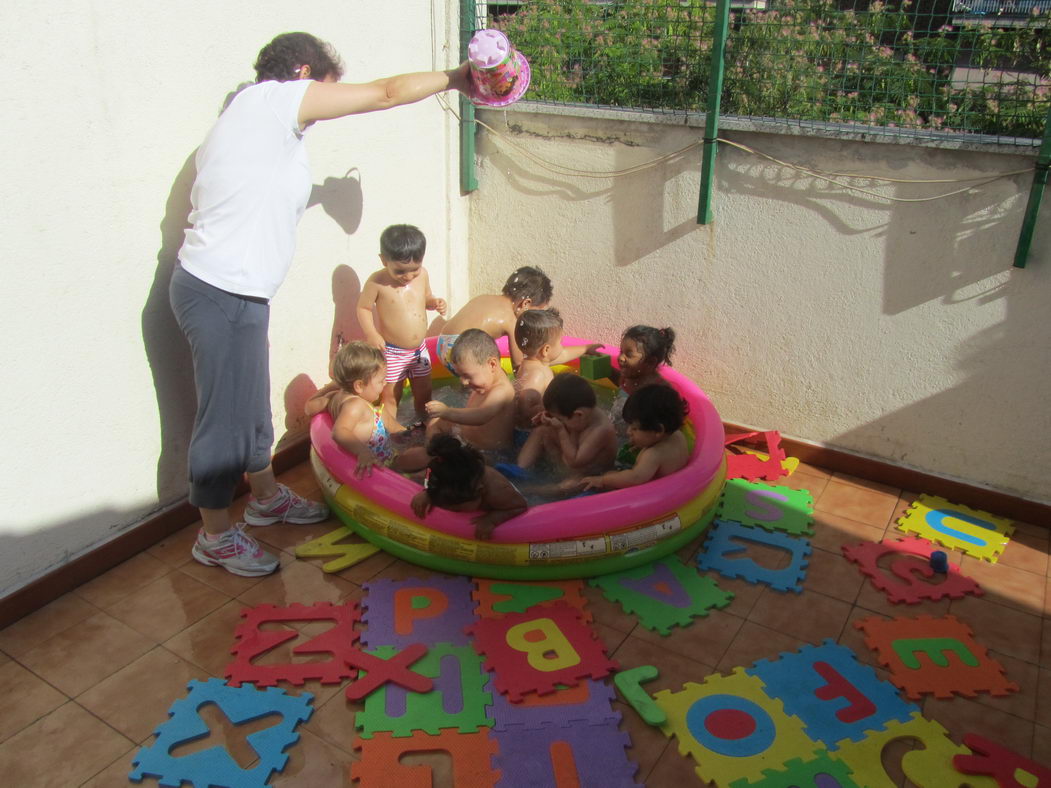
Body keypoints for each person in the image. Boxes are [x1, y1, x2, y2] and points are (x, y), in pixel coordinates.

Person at [172, 31, 470, 577]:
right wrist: (458, 78)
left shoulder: (251, 121)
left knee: (249, 407)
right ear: (304, 74)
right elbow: (385, 92)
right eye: (326, 91)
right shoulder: (273, 99)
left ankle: (265, 497)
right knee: (222, 421)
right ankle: (214, 534)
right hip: (216, 290)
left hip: (239, 293)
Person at [357, 224, 448, 421]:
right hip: (392, 352)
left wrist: (434, 302)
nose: (408, 277)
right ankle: (392, 435)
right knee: (390, 397)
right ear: (383, 260)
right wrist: (372, 334)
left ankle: (425, 429)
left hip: (419, 350)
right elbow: (363, 308)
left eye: (414, 269)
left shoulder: (422, 275)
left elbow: (426, 297)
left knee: (424, 394)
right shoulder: (377, 282)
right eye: (399, 271)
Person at [304, 341, 417, 477]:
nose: (385, 383)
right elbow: (339, 432)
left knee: (381, 413)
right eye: (381, 381)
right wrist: (362, 452)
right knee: (421, 460)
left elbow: (308, 407)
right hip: (380, 465)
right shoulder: (354, 406)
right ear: (359, 386)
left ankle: (410, 435)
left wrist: (330, 387)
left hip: (384, 456)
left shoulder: (332, 397)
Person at [436, 266, 552, 374]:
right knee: (500, 381)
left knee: (482, 374)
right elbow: (518, 364)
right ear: (525, 303)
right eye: (537, 312)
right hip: (462, 351)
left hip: (443, 345)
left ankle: (467, 389)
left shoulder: (484, 297)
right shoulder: (511, 320)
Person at [410, 435, 527, 539]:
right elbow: (429, 473)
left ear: (480, 491)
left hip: (505, 503)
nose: (448, 509)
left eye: (457, 509)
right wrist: (427, 492)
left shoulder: (497, 491)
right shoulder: (439, 468)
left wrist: (492, 520)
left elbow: (520, 506)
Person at [579, 384, 690, 491]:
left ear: (658, 430)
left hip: (654, 495)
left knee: (608, 476)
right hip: (676, 486)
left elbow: (635, 478)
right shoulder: (677, 435)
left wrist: (602, 480)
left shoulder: (653, 454)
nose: (628, 432)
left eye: (635, 428)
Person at [424, 330, 516, 454]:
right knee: (434, 423)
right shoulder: (486, 379)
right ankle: (433, 454)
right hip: (466, 440)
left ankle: (436, 459)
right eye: (460, 375)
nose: (464, 382)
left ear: (492, 364)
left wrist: (447, 411)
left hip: (485, 453)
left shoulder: (502, 391)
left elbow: (481, 416)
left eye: (467, 376)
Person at [517, 372, 617, 480]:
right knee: (542, 430)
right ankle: (520, 469)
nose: (559, 422)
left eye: (560, 419)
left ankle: (526, 491)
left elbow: (574, 462)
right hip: (567, 461)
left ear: (578, 414)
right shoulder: (581, 412)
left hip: (587, 474)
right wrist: (548, 415)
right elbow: (567, 418)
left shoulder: (601, 430)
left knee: (570, 485)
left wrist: (560, 430)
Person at [513, 308, 565, 429]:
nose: (562, 346)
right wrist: (551, 408)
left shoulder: (528, 363)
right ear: (546, 350)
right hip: (527, 433)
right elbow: (523, 402)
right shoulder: (537, 374)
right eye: (560, 342)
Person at [614, 325, 676, 396]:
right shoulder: (629, 374)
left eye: (629, 355)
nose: (620, 358)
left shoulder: (659, 391)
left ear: (650, 362)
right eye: (621, 352)